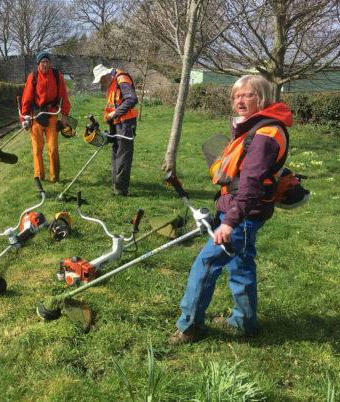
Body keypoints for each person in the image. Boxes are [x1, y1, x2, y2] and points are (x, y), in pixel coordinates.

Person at [168, 75, 293, 345]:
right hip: (244, 212)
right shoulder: (260, 128)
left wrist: (229, 223)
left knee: (206, 264)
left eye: (247, 95)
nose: (239, 100)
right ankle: (245, 321)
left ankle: (190, 326)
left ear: (262, 98)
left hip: (243, 215)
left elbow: (250, 185)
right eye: (236, 95)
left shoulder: (265, 135)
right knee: (241, 264)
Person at [20, 51, 71, 183]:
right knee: (37, 148)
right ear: (38, 63)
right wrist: (24, 118)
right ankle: (39, 176)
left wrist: (65, 115)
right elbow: (26, 98)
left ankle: (55, 177)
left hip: (52, 114)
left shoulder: (56, 75)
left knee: (53, 148)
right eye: (42, 62)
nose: (45, 64)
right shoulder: (33, 77)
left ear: (50, 63)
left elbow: (64, 95)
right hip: (36, 116)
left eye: (47, 61)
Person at [92, 64, 139, 196]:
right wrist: (110, 118)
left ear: (106, 75)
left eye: (101, 80)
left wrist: (115, 113)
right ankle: (116, 185)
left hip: (126, 123)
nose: (101, 83)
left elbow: (132, 99)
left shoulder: (122, 79)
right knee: (116, 154)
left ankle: (121, 190)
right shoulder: (112, 83)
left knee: (123, 156)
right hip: (116, 123)